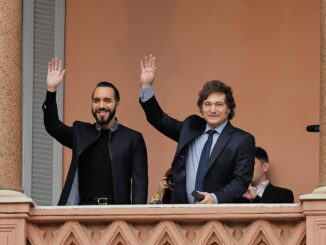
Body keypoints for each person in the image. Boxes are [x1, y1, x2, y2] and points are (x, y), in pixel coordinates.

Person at [139, 55, 255, 204]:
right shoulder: (190, 128)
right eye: (207, 104)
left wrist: (215, 198)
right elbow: (158, 119)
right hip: (183, 215)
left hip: (219, 216)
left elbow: (241, 181)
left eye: (219, 105)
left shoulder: (242, 140)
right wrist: (147, 86)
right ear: (201, 108)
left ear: (229, 109)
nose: (212, 109)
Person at [43, 57, 148, 205]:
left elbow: (140, 185)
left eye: (107, 100)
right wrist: (51, 91)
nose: (101, 105)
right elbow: (52, 126)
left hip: (118, 216)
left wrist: (136, 220)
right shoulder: (80, 133)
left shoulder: (133, 138)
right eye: (96, 100)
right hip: (83, 215)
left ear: (117, 103)